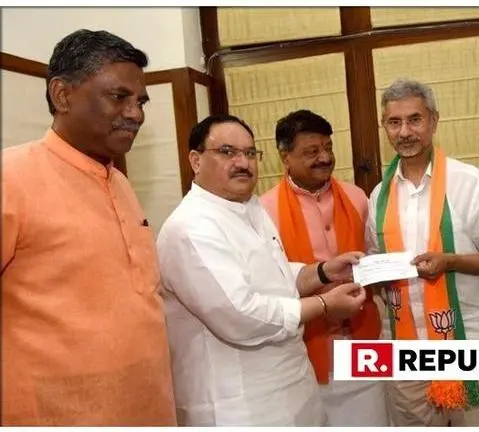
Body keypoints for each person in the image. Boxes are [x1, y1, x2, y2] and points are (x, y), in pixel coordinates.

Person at [1, 30, 176, 425]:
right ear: (62, 95)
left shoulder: (120, 182)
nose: (136, 114)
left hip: (147, 409)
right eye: (119, 97)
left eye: (140, 101)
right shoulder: (10, 178)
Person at [156, 114, 368, 426]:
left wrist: (324, 272)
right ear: (196, 160)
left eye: (250, 153)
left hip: (293, 386)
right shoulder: (191, 227)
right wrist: (324, 305)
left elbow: (277, 276)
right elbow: (240, 316)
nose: (243, 162)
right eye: (227, 152)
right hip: (240, 403)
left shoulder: (250, 206)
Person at [366, 79, 479, 426]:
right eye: (394, 122)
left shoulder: (469, 182)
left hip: (466, 343)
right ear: (384, 126)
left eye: (414, 119)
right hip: (403, 347)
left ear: (433, 120)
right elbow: (377, 267)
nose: (404, 132)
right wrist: (368, 269)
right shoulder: (378, 196)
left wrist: (450, 262)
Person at [260, 109, 388, 426]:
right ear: (285, 157)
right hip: (306, 348)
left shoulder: (357, 197)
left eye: (328, 148)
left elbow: (373, 257)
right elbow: (267, 283)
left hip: (365, 338)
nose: (324, 158)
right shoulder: (264, 210)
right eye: (311, 152)